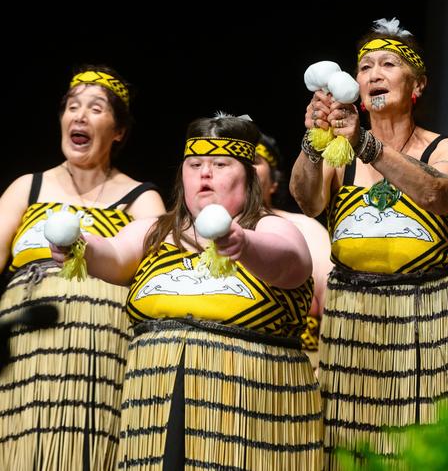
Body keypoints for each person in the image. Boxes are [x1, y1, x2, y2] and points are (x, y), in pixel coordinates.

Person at [52, 114, 322, 469]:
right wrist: (79, 246)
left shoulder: (272, 227)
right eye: (195, 164)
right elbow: (114, 256)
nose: (205, 173)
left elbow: (292, 263)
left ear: (248, 176)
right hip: (158, 398)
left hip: (249, 405)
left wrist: (241, 241)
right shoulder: (155, 230)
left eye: (220, 164)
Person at [290, 17, 448, 466]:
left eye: (388, 64)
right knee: (348, 444)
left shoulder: (447, 147)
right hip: (353, 316)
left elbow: (436, 192)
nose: (374, 73)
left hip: (427, 315)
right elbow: (308, 200)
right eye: (366, 65)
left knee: (424, 441)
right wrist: (315, 142)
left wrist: (366, 145)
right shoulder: (340, 155)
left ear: (418, 85)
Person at [0, 66, 165, 470]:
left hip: (102, 350)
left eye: (95, 109)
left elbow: (155, 277)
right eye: (72, 107)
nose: (80, 117)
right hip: (27, 339)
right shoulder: (29, 187)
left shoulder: (140, 198)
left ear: (119, 130)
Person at [254, 131, 333, 368]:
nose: (242, 167)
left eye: (253, 161)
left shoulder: (305, 230)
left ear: (274, 183)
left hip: (296, 377)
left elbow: (335, 308)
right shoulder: (183, 232)